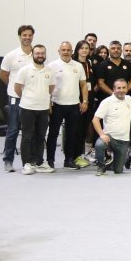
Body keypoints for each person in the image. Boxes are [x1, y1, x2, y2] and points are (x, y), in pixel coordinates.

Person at [92, 79, 131, 175]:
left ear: (127, 89)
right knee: (99, 145)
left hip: (124, 140)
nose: (121, 90)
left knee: (118, 171)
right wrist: (102, 134)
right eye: (119, 88)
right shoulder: (107, 102)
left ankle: (120, 159)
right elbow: (95, 120)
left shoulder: (130, 100)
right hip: (109, 137)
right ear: (114, 89)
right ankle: (101, 167)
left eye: (124, 88)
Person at [46, 41, 89, 169]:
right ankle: (50, 161)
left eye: (68, 50)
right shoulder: (51, 66)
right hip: (57, 104)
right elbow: (46, 85)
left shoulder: (78, 66)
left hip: (74, 105)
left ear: (72, 51)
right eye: (63, 50)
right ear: (59, 51)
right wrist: (48, 102)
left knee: (72, 134)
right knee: (53, 134)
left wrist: (85, 101)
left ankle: (68, 160)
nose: (66, 52)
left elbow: (83, 85)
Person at [15, 45, 54, 175]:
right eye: (37, 53)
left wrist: (43, 99)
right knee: (27, 136)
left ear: (45, 54)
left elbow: (51, 88)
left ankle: (39, 162)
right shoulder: (25, 70)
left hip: (43, 109)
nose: (40, 55)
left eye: (42, 53)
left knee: (41, 136)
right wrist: (28, 98)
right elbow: (17, 88)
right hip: (27, 108)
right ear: (33, 54)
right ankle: (26, 164)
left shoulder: (50, 71)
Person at [0, 25, 35, 172]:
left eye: (29, 35)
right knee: (13, 130)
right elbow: (3, 75)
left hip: (32, 99)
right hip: (16, 98)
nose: (27, 37)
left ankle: (30, 161)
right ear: (20, 36)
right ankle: (8, 161)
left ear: (33, 36)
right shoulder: (11, 56)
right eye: (24, 35)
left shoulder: (36, 54)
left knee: (30, 131)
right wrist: (15, 88)